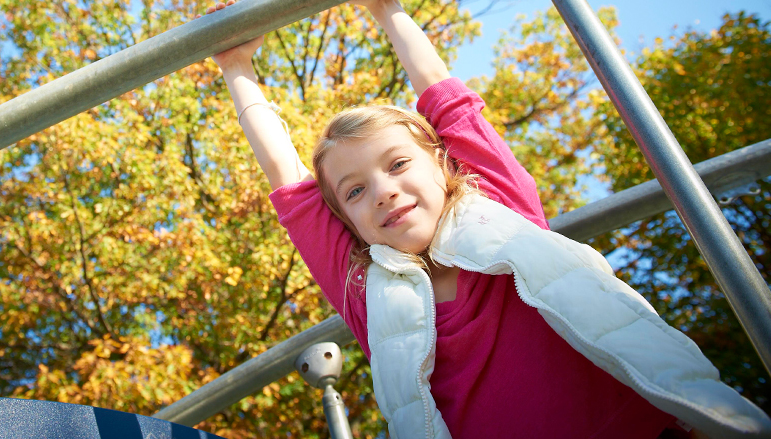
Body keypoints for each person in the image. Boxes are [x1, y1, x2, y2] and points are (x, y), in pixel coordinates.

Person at [200, 1, 771, 438]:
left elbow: (446, 98)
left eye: (398, 163)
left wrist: (385, 9)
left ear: (444, 161)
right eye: (354, 191)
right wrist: (236, 66)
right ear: (345, 220)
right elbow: (292, 187)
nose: (382, 191)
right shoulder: (366, 290)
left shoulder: (498, 207)